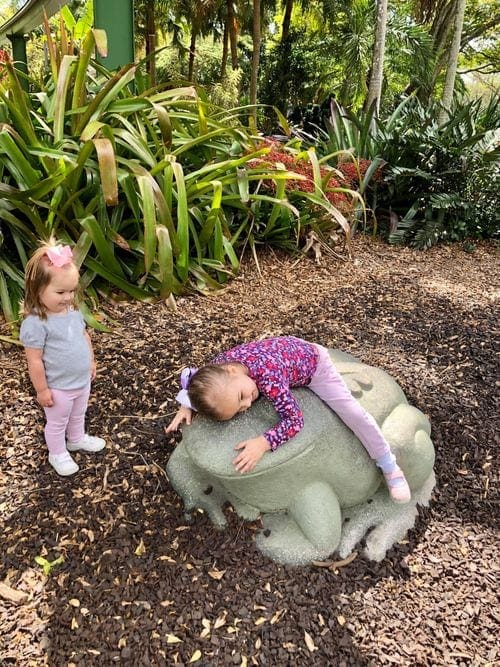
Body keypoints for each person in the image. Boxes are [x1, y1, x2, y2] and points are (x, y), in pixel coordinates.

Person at [165, 336, 411, 503]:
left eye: (241, 396)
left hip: (314, 366)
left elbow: (294, 421)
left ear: (231, 371)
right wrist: (187, 404)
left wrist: (263, 442)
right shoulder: (219, 368)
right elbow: (194, 378)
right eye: (240, 409)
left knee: (354, 414)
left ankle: (389, 465)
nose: (248, 404)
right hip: (282, 349)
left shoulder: (269, 380)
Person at [19, 240, 105, 476]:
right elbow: (34, 361)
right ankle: (57, 452)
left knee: (79, 413)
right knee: (57, 423)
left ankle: (76, 438)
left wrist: (91, 361)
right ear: (37, 289)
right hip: (58, 387)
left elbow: (84, 336)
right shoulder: (36, 324)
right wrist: (42, 390)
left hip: (81, 380)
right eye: (60, 292)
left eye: (72, 291)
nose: (68, 297)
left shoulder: (73, 312)